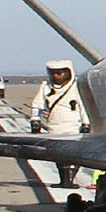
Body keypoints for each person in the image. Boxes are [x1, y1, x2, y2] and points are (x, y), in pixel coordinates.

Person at [29, 59, 90, 188]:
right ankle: (64, 180)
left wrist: (86, 124)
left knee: (73, 154)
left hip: (73, 125)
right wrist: (35, 120)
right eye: (53, 73)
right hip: (54, 126)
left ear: (68, 73)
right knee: (57, 154)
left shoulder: (76, 87)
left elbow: (84, 107)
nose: (56, 76)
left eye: (60, 73)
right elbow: (38, 104)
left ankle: (70, 179)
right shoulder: (46, 87)